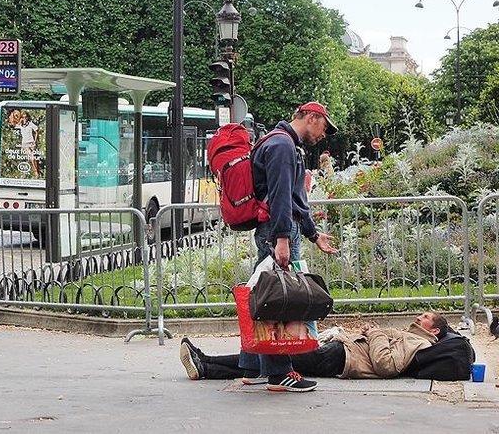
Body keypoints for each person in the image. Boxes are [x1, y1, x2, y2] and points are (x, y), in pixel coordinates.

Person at [241, 102, 341, 392]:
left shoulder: (283, 144)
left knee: (264, 295)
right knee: (280, 299)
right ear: (311, 117)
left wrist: (313, 234)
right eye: (324, 126)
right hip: (278, 229)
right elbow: (281, 196)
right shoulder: (283, 146)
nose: (324, 134)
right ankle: (279, 372)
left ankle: (253, 366)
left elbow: (295, 197)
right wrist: (283, 237)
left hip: (278, 227)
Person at [180, 312, 468, 382]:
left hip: (341, 358)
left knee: (278, 358)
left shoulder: (418, 341)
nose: (420, 317)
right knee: (278, 358)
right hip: (343, 352)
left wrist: (376, 333)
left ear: (435, 329)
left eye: (426, 317)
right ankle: (206, 364)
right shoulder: (411, 335)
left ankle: (206, 366)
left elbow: (386, 364)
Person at [16, 111, 40, 179]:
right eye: (23, 117)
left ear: (28, 117)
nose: (24, 118)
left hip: (31, 142)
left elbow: (36, 130)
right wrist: (19, 121)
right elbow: (14, 125)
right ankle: (36, 172)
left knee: (34, 158)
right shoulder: (20, 124)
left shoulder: (30, 124)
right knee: (32, 157)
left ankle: (36, 171)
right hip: (25, 143)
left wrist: (35, 141)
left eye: (26, 117)